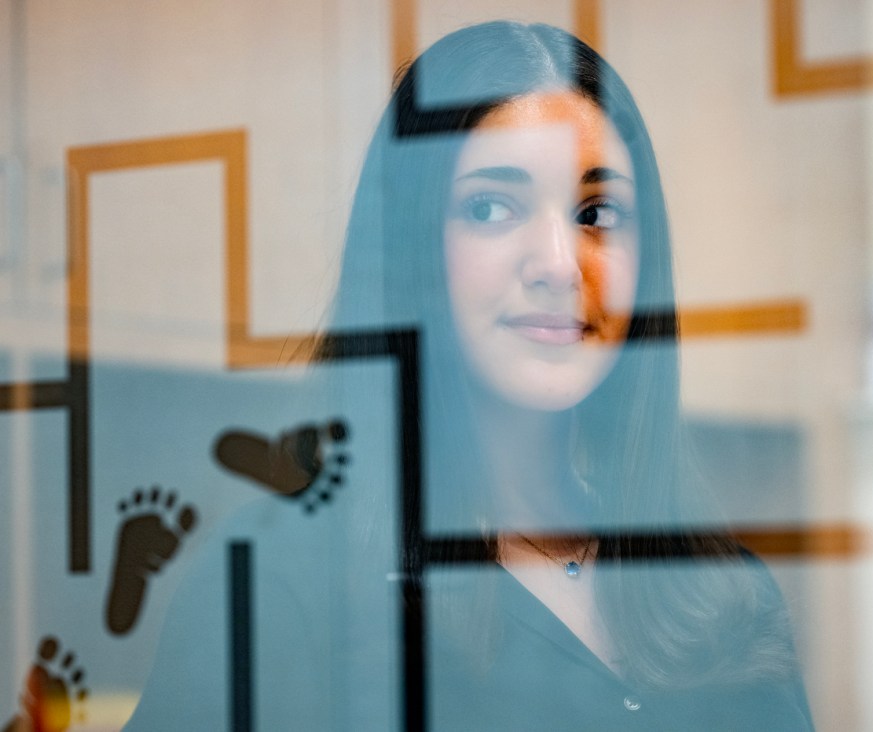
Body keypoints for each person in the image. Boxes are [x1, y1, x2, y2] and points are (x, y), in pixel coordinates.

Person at [329, 20, 815, 731]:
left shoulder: (726, 593)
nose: (559, 263)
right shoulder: (300, 598)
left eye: (596, 212)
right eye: (492, 207)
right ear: (407, 249)